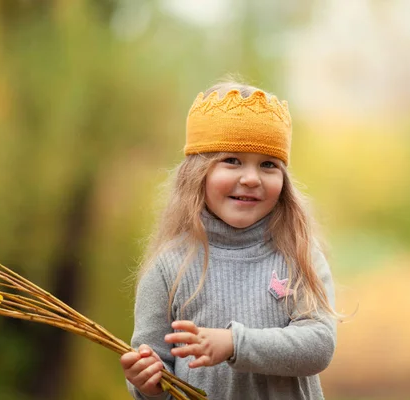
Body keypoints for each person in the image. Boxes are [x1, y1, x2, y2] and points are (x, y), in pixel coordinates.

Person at [120, 80, 338, 400]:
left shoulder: (297, 254)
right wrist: (146, 383)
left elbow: (319, 345)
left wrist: (235, 344)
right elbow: (155, 364)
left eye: (268, 165)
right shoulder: (170, 267)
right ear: (197, 173)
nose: (250, 178)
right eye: (232, 160)